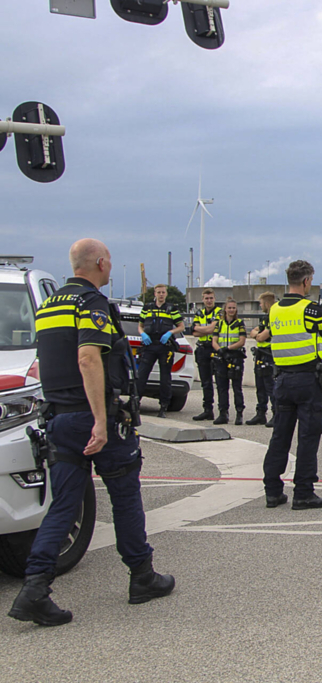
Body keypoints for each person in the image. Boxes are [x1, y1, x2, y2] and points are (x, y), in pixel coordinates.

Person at [8, 239, 174, 627]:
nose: (111, 267)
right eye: (110, 261)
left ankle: (35, 587)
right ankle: (142, 576)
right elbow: (88, 357)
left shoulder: (49, 307)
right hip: (94, 418)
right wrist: (101, 420)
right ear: (99, 263)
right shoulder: (91, 303)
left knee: (64, 506)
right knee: (125, 496)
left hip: (59, 419)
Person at [262, 260, 322, 510]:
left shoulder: (274, 310)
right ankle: (303, 493)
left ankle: (272, 491)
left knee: (280, 436)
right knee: (308, 437)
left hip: (282, 380)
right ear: (306, 281)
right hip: (307, 380)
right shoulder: (311, 309)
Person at [135, 284, 184, 418]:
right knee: (142, 375)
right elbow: (140, 325)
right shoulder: (147, 308)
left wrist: (170, 332)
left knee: (165, 378)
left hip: (165, 346)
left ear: (166, 294)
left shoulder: (171, 309)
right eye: (158, 292)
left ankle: (163, 406)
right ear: (154, 294)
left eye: (163, 292)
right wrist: (142, 334)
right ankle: (135, 402)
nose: (161, 294)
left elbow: (181, 326)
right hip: (150, 345)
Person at [211, 298, 246, 425]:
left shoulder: (240, 323)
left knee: (237, 387)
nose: (231, 310)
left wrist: (228, 348)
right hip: (221, 358)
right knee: (221, 387)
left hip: (235, 357)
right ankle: (223, 413)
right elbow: (214, 340)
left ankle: (239, 413)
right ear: (225, 309)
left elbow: (242, 341)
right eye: (229, 308)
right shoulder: (219, 324)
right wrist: (219, 350)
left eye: (233, 308)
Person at [190, 288, 221, 421]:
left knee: (220, 381)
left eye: (211, 298)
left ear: (214, 298)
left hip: (215, 348)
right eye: (206, 298)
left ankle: (222, 411)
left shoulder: (219, 312)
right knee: (205, 382)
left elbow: (214, 328)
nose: (209, 301)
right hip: (203, 349)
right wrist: (205, 330)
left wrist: (201, 329)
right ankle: (207, 410)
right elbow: (194, 332)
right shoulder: (199, 313)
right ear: (202, 299)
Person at [247, 291, 277, 427]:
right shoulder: (265, 318)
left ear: (266, 303)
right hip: (260, 355)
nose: (260, 306)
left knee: (271, 387)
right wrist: (256, 334)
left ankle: (276, 414)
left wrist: (257, 334)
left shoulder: (275, 317)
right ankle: (260, 414)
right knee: (260, 387)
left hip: (270, 356)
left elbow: (260, 336)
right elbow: (253, 331)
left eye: (260, 303)